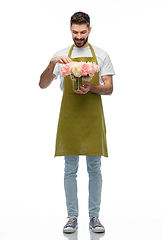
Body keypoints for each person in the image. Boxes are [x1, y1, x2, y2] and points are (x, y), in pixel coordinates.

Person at [39, 12, 115, 234]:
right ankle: (72, 217)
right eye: (75, 32)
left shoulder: (101, 55)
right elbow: (42, 84)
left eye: (82, 32)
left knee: (95, 169)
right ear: (70, 30)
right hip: (70, 118)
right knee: (69, 169)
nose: (79, 36)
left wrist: (91, 88)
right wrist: (51, 63)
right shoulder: (61, 55)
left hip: (92, 118)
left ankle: (94, 217)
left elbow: (109, 88)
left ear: (90, 29)